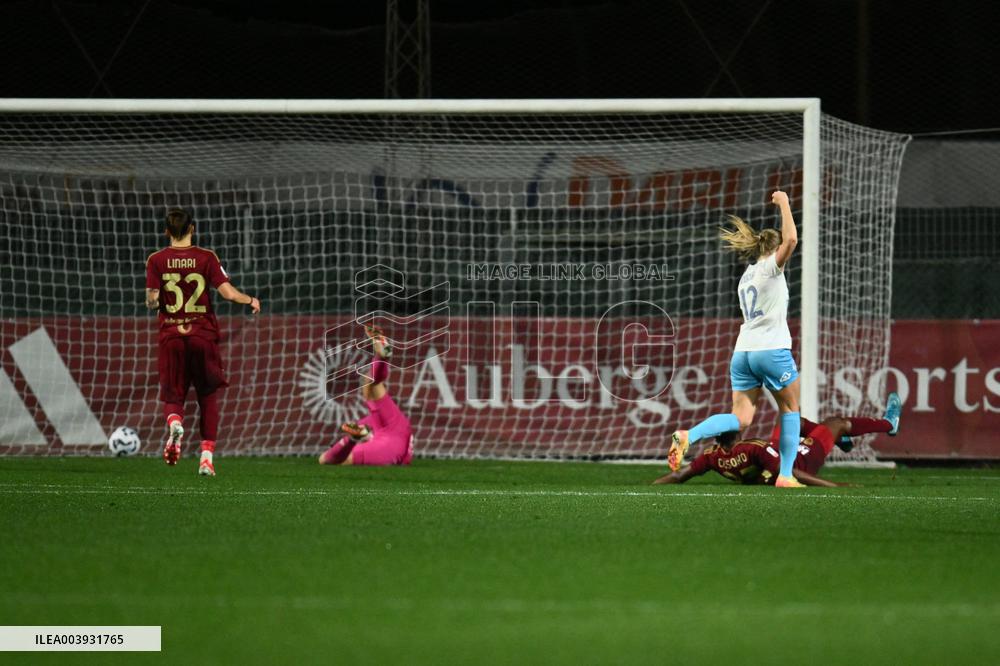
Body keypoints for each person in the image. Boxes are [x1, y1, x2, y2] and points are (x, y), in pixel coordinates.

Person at [668, 190, 804, 487]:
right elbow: (792, 239)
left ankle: (689, 435)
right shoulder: (771, 268)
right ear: (775, 247)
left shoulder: (747, 275)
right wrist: (783, 202)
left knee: (741, 418)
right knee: (791, 408)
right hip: (771, 349)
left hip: (742, 352)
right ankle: (785, 475)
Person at [145, 208, 260, 476]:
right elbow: (228, 293)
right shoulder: (207, 257)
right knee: (207, 395)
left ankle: (175, 425)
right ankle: (206, 458)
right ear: (193, 229)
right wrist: (250, 300)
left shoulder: (156, 260)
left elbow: (151, 301)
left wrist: (161, 302)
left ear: (166, 232)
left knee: (174, 395)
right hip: (202, 335)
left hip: (172, 335)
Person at [653, 393, 902, 487]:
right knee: (836, 422)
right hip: (799, 461)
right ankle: (889, 423)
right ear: (738, 431)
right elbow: (790, 473)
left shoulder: (711, 455)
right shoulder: (753, 448)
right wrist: (835, 485)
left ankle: (840, 439)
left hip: (773, 456)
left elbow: (678, 476)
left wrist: (653, 485)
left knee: (787, 421)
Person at [319, 325, 413, 466]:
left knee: (327, 460)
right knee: (373, 383)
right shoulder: (372, 419)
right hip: (398, 425)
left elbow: (329, 458)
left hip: (390, 446)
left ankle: (381, 356)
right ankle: (381, 356)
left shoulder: (365, 426)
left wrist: (349, 441)